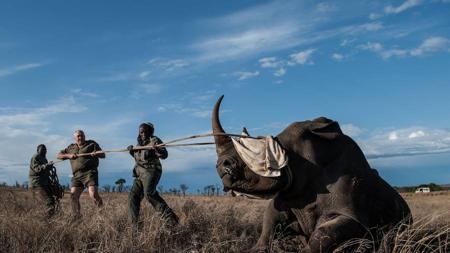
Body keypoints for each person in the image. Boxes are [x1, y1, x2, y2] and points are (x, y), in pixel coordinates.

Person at [127, 122, 178, 229]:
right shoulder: (138, 143)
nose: (143, 134)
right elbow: (139, 158)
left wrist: (157, 149)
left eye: (146, 131)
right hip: (139, 173)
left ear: (150, 132)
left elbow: (164, 155)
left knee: (149, 193)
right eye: (141, 132)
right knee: (133, 197)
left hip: (151, 171)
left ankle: (171, 220)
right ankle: (135, 227)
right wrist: (131, 151)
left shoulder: (154, 140)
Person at [57, 130, 104, 217]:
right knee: (73, 196)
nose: (80, 137)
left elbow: (103, 155)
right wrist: (68, 156)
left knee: (93, 194)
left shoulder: (91, 144)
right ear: (74, 138)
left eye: (82, 135)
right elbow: (59, 155)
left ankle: (101, 213)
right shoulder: (70, 148)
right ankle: (77, 216)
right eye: (78, 136)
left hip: (90, 173)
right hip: (76, 175)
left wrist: (96, 154)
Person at [29, 144, 57, 217]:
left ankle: (50, 216)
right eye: (42, 149)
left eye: (45, 150)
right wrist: (47, 166)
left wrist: (49, 167)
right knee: (49, 201)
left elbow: (46, 171)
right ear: (38, 150)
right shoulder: (35, 157)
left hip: (44, 183)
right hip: (37, 183)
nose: (44, 151)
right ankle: (47, 218)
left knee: (52, 199)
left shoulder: (44, 159)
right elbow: (37, 169)